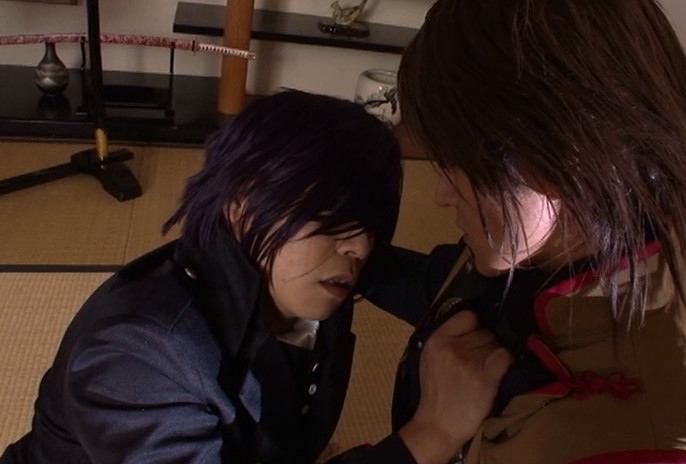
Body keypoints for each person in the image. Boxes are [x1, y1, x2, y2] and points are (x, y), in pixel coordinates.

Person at [0, 90, 512, 464]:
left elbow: (438, 285)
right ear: (242, 203)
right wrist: (428, 437)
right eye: (332, 216)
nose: (359, 246)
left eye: (368, 222)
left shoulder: (304, 265)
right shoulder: (141, 353)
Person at [366, 1, 686, 463]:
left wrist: (429, 436)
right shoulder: (543, 235)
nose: (442, 194)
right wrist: (351, 263)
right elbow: (446, 289)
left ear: (561, 162)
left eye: (456, 164)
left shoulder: (654, 449)